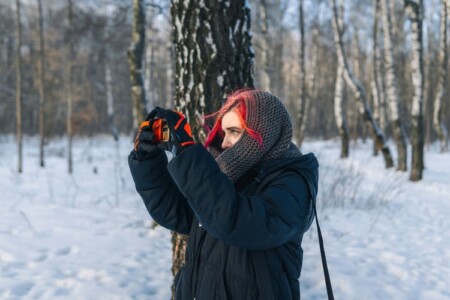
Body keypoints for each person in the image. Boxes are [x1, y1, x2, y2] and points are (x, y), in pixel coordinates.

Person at [128, 89, 318, 299]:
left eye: (234, 131)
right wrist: (147, 160)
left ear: (264, 132)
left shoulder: (292, 182)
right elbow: (180, 213)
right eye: (223, 133)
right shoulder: (229, 174)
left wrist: (187, 154)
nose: (225, 142)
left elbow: (233, 221)